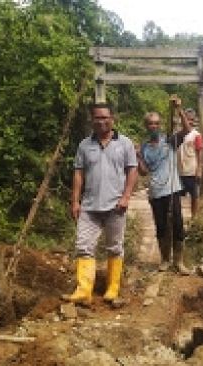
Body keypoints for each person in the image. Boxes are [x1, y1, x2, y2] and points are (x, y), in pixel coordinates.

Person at [61, 103, 138, 306]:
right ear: (92, 120)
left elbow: (132, 171)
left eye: (105, 117)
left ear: (113, 119)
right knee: (84, 246)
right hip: (89, 206)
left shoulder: (125, 144)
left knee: (114, 247)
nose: (101, 121)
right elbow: (78, 173)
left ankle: (112, 288)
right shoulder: (85, 145)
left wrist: (126, 197)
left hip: (116, 206)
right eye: (97, 118)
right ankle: (83, 290)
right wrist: (75, 201)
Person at [136, 96, 193, 274]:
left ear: (160, 125)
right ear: (146, 126)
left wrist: (178, 109)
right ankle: (165, 260)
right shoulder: (144, 147)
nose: (154, 126)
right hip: (155, 192)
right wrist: (137, 156)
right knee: (161, 226)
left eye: (157, 123)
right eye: (150, 123)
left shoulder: (169, 140)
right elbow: (144, 172)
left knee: (177, 224)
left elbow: (187, 129)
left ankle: (179, 262)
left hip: (172, 189)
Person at [177, 108, 203, 218]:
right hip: (179, 170)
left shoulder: (196, 135)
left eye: (192, 119)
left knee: (194, 196)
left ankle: (194, 218)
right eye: (188, 119)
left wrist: (199, 169)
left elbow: (199, 152)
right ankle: (178, 217)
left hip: (192, 170)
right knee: (178, 196)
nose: (190, 122)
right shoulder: (178, 134)